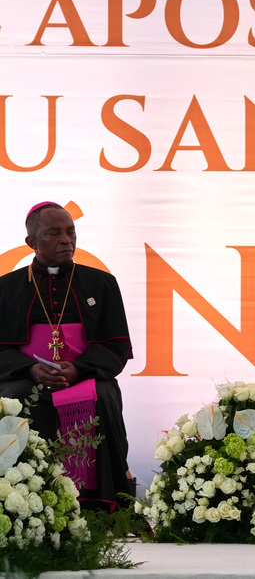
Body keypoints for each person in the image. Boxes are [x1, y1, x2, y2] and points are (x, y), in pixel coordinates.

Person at [0, 202, 133, 511]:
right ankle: (22, 505)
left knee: (100, 397)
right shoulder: (6, 288)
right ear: (31, 242)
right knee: (18, 400)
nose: (66, 240)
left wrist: (79, 369)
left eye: (71, 232)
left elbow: (118, 345)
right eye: (54, 233)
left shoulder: (102, 284)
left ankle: (99, 506)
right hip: (24, 378)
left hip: (85, 375)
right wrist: (31, 370)